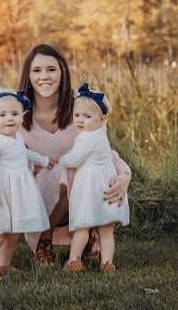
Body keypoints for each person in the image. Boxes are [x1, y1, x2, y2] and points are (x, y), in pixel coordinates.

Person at [18, 44, 131, 266]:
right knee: (62, 171)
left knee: (83, 172)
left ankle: (91, 233)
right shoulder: (16, 110)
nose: (44, 77)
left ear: (63, 73)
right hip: (38, 193)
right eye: (37, 70)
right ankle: (44, 237)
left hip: (81, 189)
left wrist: (125, 173)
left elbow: (104, 150)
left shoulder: (83, 105)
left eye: (51, 69)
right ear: (28, 75)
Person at [0, 90, 55, 280]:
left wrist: (42, 159)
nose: (9, 119)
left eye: (15, 114)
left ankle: (4, 265)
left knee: (13, 233)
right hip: (0, 191)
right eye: (3, 115)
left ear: (22, 117)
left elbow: (24, 154)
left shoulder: (18, 137)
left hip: (18, 191)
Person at [58, 83, 129, 273]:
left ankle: (74, 261)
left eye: (87, 116)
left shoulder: (86, 138)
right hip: (105, 184)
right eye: (77, 115)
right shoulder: (99, 134)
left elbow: (74, 159)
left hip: (91, 187)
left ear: (101, 119)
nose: (80, 120)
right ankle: (107, 263)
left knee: (83, 226)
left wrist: (61, 160)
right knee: (106, 230)